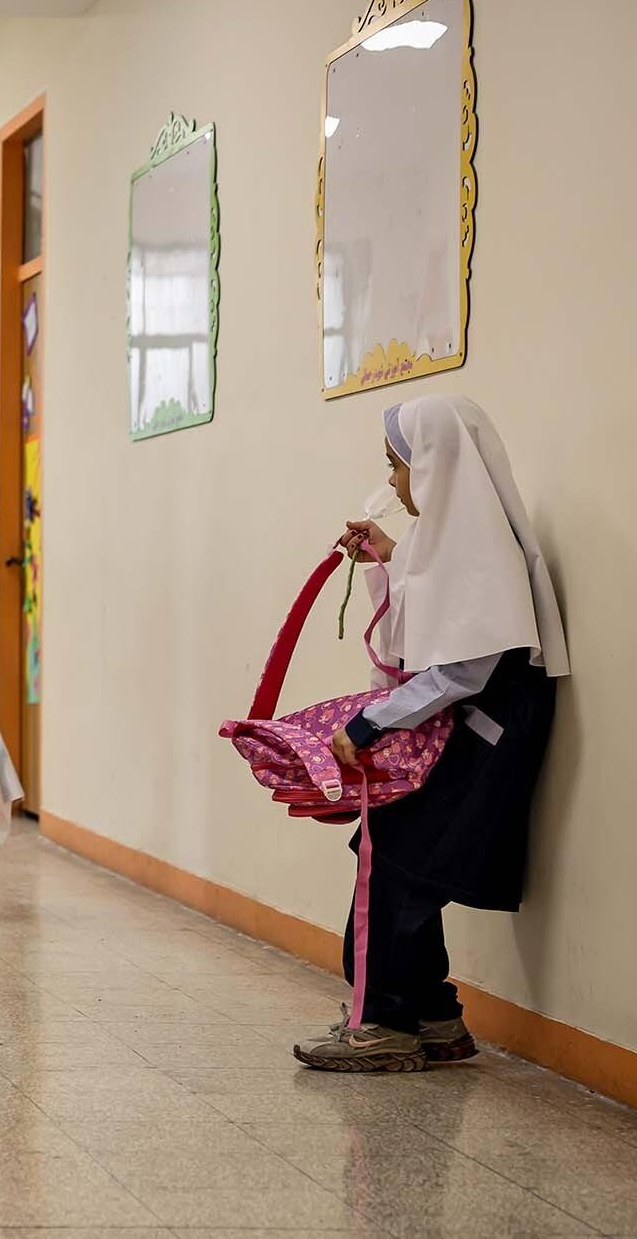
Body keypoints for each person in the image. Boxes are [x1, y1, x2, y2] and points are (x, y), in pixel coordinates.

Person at [295, 395, 567, 1073]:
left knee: (391, 862)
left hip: (483, 738)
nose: (391, 482)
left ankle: (383, 1023)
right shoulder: (462, 541)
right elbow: (438, 597)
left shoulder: (479, 552)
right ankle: (433, 1015)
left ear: (435, 465)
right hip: (473, 733)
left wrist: (369, 723)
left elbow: (460, 671)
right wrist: (386, 555)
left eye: (397, 465)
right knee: (404, 864)